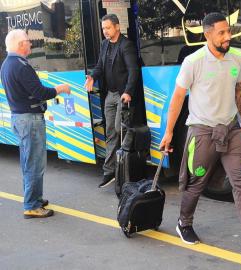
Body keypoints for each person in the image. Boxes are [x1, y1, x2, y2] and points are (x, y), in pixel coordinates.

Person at [160, 13, 241, 258]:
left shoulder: (237, 57)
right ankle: (184, 223)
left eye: (229, 31)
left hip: (231, 129)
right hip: (202, 131)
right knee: (197, 183)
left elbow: (240, 89)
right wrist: (169, 132)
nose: (228, 37)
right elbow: (178, 98)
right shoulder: (194, 61)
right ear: (208, 34)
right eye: (221, 33)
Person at [0, 29, 71, 219]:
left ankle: (34, 198)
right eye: (28, 41)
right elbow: (40, 92)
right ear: (19, 44)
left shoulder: (7, 64)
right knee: (34, 164)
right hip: (29, 120)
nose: (31, 44)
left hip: (19, 118)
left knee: (27, 161)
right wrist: (60, 89)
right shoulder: (21, 66)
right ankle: (32, 205)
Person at [84, 14, 139, 188]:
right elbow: (100, 66)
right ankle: (109, 171)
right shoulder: (105, 45)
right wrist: (92, 76)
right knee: (110, 132)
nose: (105, 31)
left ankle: (125, 167)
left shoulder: (126, 45)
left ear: (117, 27)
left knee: (118, 128)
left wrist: (129, 92)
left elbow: (133, 70)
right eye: (103, 28)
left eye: (108, 28)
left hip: (123, 94)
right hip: (110, 95)